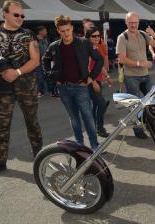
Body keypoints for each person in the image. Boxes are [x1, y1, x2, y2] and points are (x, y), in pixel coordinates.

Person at [0, 0, 43, 174]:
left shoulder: (28, 34)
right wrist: (5, 69)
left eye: (22, 15)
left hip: (26, 85)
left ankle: (40, 155)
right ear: (4, 13)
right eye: (16, 14)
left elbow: (36, 60)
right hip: (1, 86)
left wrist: (17, 72)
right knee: (1, 125)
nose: (20, 18)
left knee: (32, 122)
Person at [43, 15, 103, 149]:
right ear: (58, 31)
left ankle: (94, 146)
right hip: (63, 88)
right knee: (74, 118)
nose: (66, 33)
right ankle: (79, 146)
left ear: (71, 28)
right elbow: (45, 60)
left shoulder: (83, 42)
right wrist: (51, 76)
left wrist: (91, 78)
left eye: (68, 30)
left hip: (80, 86)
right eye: (62, 31)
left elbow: (99, 60)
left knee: (87, 116)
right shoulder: (54, 46)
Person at [116, 11, 155, 139]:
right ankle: (138, 130)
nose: (133, 25)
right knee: (135, 106)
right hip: (131, 76)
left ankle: (148, 122)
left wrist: (154, 35)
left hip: (145, 75)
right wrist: (140, 63)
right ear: (126, 22)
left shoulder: (142, 34)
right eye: (130, 22)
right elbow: (122, 59)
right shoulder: (122, 37)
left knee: (154, 100)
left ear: (138, 22)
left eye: (135, 22)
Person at [86, 27, 112, 138]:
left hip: (98, 80)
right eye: (94, 36)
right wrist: (93, 82)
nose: (97, 38)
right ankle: (99, 128)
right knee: (101, 104)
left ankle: (94, 128)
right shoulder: (87, 49)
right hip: (91, 82)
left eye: (98, 36)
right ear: (88, 37)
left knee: (96, 105)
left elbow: (99, 64)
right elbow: (86, 68)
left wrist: (107, 76)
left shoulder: (95, 48)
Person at [35, 26, 49, 97]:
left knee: (44, 77)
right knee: (39, 77)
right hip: (37, 62)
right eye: (45, 30)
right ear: (40, 31)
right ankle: (37, 91)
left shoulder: (45, 40)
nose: (46, 32)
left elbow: (46, 50)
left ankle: (43, 91)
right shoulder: (35, 40)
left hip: (44, 62)